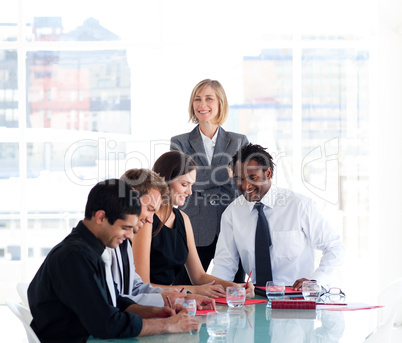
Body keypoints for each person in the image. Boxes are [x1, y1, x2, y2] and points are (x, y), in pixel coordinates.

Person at [28, 179, 200, 343]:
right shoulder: (75, 256)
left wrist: (158, 313)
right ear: (101, 217)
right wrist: (167, 325)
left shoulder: (90, 249)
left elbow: (115, 301)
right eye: (125, 228)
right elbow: (107, 324)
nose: (129, 235)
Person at [211, 143, 345, 290]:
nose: (245, 186)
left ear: (268, 174)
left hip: (297, 297)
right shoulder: (232, 213)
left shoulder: (299, 206)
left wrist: (315, 281)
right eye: (239, 179)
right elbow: (225, 264)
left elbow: (334, 247)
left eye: (252, 177)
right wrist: (215, 296)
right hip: (256, 297)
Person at [131, 151, 254, 298]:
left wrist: (236, 286)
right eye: (184, 184)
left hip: (173, 300)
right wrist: (193, 291)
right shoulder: (147, 221)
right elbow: (144, 286)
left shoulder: (183, 219)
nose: (190, 192)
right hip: (150, 302)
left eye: (192, 185)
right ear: (165, 181)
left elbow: (199, 277)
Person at [170, 78, 249, 284]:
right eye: (197, 99)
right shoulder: (179, 142)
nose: (202, 105)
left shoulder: (239, 141)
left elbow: (245, 183)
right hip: (195, 229)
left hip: (232, 227)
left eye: (208, 99)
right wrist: (225, 173)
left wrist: (200, 175)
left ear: (220, 103)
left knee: (234, 291)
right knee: (186, 290)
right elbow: (183, 181)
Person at [113, 168, 218, 307]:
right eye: (150, 209)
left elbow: (137, 288)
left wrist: (184, 297)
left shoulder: (123, 244)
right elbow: (115, 305)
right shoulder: (96, 249)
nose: (151, 220)